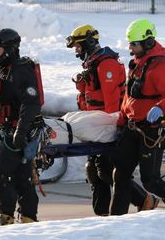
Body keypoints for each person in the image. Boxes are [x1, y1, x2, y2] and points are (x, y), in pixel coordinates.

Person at [66, 24, 159, 216]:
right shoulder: (94, 63)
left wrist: (111, 127)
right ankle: (107, 218)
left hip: (110, 126)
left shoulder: (106, 64)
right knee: (100, 173)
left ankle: (143, 200)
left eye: (78, 46)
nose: (76, 50)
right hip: (100, 125)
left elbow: (111, 101)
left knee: (110, 172)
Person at [0, 28, 44, 225]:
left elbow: (31, 103)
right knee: (21, 179)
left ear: (9, 49)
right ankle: (27, 221)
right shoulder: (3, 70)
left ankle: (6, 218)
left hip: (20, 134)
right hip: (6, 131)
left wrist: (21, 130)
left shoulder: (21, 70)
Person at [110, 19, 165, 215]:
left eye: (134, 43)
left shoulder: (159, 66)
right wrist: (121, 121)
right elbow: (130, 96)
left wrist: (160, 107)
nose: (130, 48)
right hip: (132, 128)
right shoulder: (136, 63)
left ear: (148, 42)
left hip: (151, 131)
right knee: (120, 174)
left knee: (151, 180)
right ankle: (117, 219)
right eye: (130, 43)